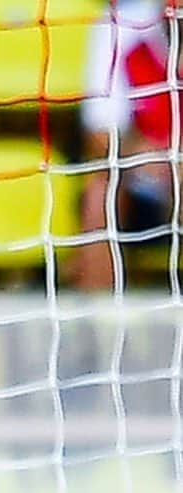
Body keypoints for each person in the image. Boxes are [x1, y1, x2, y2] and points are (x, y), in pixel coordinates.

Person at [75, 0, 182, 290]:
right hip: (145, 175)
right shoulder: (119, 25)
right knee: (100, 192)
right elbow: (100, 135)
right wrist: (151, 156)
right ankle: (97, 323)